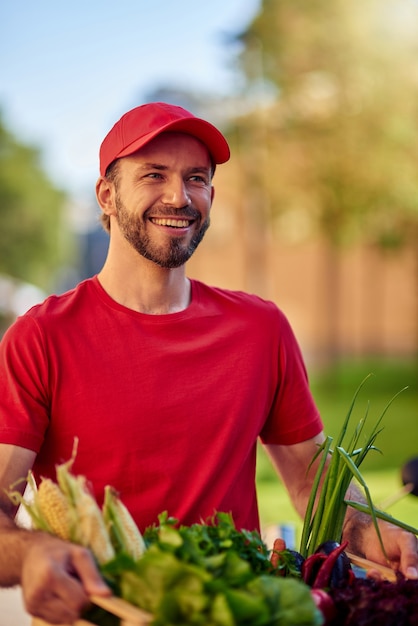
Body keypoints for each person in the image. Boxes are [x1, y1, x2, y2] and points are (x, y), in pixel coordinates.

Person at [0, 101, 416, 624]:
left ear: (211, 196)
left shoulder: (261, 329)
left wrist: (380, 534)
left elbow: (312, 484)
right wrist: (32, 553)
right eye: (154, 175)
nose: (179, 196)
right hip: (100, 614)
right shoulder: (39, 338)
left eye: (195, 178)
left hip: (234, 609)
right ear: (107, 196)